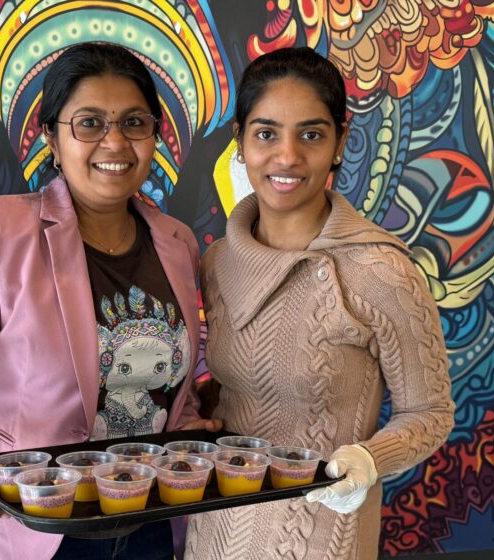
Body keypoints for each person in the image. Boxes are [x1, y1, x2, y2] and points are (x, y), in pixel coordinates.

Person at [0, 42, 220, 560]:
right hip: (31, 526)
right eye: (88, 123)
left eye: (134, 123)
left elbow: (161, 384)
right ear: (53, 140)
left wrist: (187, 422)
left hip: (147, 522)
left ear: (154, 136)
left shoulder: (176, 242)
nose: (115, 142)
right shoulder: (1, 231)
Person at [185, 47, 456, 559]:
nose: (287, 156)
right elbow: (237, 386)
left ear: (340, 143)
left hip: (318, 537)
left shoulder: (379, 271)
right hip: (216, 528)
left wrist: (369, 458)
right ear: (240, 142)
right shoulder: (218, 262)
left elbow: (431, 412)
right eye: (266, 133)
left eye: (311, 134)